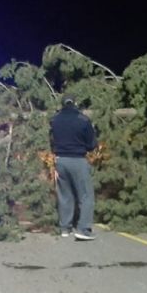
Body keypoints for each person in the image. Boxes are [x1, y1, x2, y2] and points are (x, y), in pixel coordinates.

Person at [50, 94, 97, 240]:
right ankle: (83, 229)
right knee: (86, 195)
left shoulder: (55, 120)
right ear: (75, 103)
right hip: (78, 160)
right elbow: (91, 144)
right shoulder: (83, 120)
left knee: (65, 195)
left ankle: (65, 228)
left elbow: (51, 140)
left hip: (61, 160)